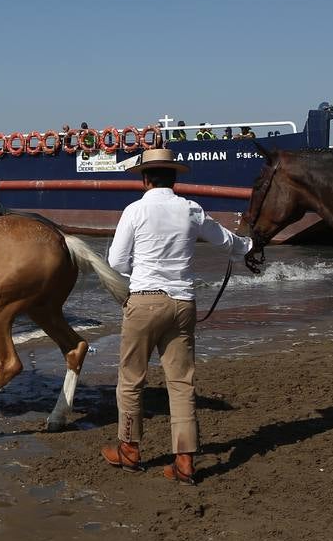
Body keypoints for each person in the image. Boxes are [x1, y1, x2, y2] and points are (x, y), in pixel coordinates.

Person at [101, 148, 253, 485]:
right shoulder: (190, 210)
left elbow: (116, 262)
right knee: (182, 383)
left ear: (144, 179)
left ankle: (129, 450)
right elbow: (227, 241)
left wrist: (138, 270)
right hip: (183, 303)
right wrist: (250, 247)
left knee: (131, 379)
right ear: (174, 178)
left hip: (143, 302)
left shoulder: (135, 210)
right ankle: (184, 461)